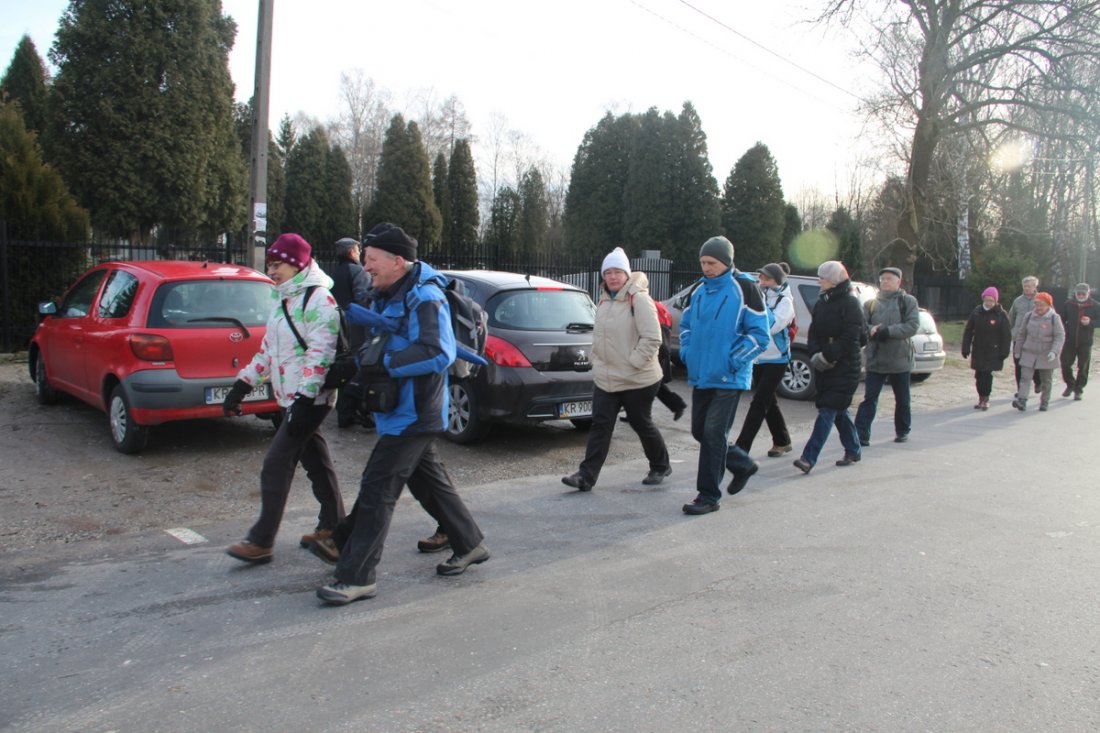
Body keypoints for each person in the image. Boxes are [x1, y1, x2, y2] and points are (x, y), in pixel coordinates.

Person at [316, 224, 488, 605]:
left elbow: (437, 352)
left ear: (397, 260)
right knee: (427, 482)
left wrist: (384, 364)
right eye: (365, 260)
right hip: (401, 411)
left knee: (378, 488)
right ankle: (470, 542)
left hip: (416, 412)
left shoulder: (425, 297)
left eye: (372, 260)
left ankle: (356, 575)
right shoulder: (389, 293)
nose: (367, 267)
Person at [223, 233, 346, 564]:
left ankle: (262, 540)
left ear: (296, 264)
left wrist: (304, 401)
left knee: (276, 463)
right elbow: (268, 352)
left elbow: (319, 357)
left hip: (309, 401)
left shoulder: (319, 301)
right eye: (270, 265)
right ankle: (334, 526)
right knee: (317, 464)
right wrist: (242, 386)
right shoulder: (284, 300)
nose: (272, 270)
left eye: (277, 264)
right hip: (289, 398)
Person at [562, 247, 671, 492]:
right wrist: (596, 359)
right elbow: (600, 336)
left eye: (618, 272)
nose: (612, 277)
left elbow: (653, 339)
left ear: (626, 274)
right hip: (606, 377)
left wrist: (632, 363)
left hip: (638, 377)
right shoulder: (603, 299)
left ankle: (660, 465)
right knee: (600, 425)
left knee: (640, 422)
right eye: (608, 272)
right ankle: (585, 476)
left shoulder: (639, 299)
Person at [678, 236, 769, 514]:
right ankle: (742, 464)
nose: (706, 268)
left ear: (726, 262)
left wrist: (734, 360)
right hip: (702, 373)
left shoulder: (745, 289)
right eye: (703, 262)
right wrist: (687, 352)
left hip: (730, 376)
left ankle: (708, 496)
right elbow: (685, 326)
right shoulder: (698, 291)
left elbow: (760, 335)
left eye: (712, 263)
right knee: (700, 431)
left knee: (714, 433)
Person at [792, 261, 864, 474]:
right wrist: (815, 354)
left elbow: (853, 336)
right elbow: (814, 332)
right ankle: (853, 448)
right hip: (825, 365)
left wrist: (829, 354)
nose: (818, 281)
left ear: (833, 280)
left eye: (822, 277)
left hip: (845, 365)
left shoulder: (851, 303)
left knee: (827, 410)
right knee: (838, 410)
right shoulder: (822, 302)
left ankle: (808, 457)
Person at [854, 267, 920, 446]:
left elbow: (912, 325)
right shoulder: (871, 303)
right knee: (870, 398)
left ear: (898, 281)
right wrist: (871, 330)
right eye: (882, 279)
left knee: (902, 399)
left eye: (889, 279)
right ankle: (861, 434)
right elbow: (862, 325)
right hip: (876, 358)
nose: (885, 282)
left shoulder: (907, 301)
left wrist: (888, 331)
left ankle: (902, 430)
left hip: (900, 358)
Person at [734, 262, 794, 458]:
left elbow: (772, 326)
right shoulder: (761, 294)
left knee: (759, 402)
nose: (762, 282)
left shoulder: (786, 301)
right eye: (760, 278)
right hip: (759, 358)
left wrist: (759, 302)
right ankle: (782, 440)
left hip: (777, 359)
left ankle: (742, 448)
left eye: (766, 279)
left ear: (776, 280)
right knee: (769, 401)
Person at [330, 237, 373, 428]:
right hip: (355, 329)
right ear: (350, 252)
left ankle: (344, 413)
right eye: (357, 250)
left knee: (343, 368)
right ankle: (353, 411)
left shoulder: (334, 272)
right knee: (356, 368)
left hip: (336, 327)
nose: (359, 253)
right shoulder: (358, 271)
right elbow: (363, 300)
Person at [1011, 291, 1065, 412]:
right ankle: (1022, 400)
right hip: (1029, 352)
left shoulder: (1054, 318)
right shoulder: (1029, 316)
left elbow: (1060, 336)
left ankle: (1044, 401)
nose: (1039, 307)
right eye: (1037, 304)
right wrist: (1017, 350)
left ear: (1048, 305)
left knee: (1046, 380)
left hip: (1046, 353)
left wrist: (1054, 351)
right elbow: (1022, 334)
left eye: (1042, 305)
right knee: (1025, 377)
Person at [960, 286, 1012, 411]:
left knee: (987, 375)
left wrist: (1004, 352)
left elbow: (1006, 335)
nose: (989, 303)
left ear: (995, 301)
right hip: (978, 349)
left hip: (993, 351)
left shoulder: (1000, 314)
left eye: (991, 301)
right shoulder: (977, 312)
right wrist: (965, 347)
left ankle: (986, 399)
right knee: (979, 375)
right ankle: (980, 397)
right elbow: (968, 331)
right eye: (987, 300)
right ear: (983, 299)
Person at [1059, 282, 1099, 400]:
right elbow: (1061, 319)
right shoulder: (1068, 304)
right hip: (1069, 340)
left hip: (1085, 342)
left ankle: (1079, 389)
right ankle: (1070, 384)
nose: (1081, 295)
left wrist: (1090, 323)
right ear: (1075, 293)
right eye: (1078, 293)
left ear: (1088, 293)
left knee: (1083, 366)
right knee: (1065, 364)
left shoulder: (1095, 305)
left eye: (1083, 293)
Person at [1009, 275, 1042, 396]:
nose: (1026, 288)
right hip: (1018, 338)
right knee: (1018, 364)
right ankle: (1021, 390)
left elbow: (1050, 316)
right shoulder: (1018, 301)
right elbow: (1011, 317)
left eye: (1029, 286)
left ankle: (1038, 382)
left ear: (1035, 287)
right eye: (1025, 286)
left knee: (1036, 363)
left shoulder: (1041, 299)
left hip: (1035, 338)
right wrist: (1012, 332)